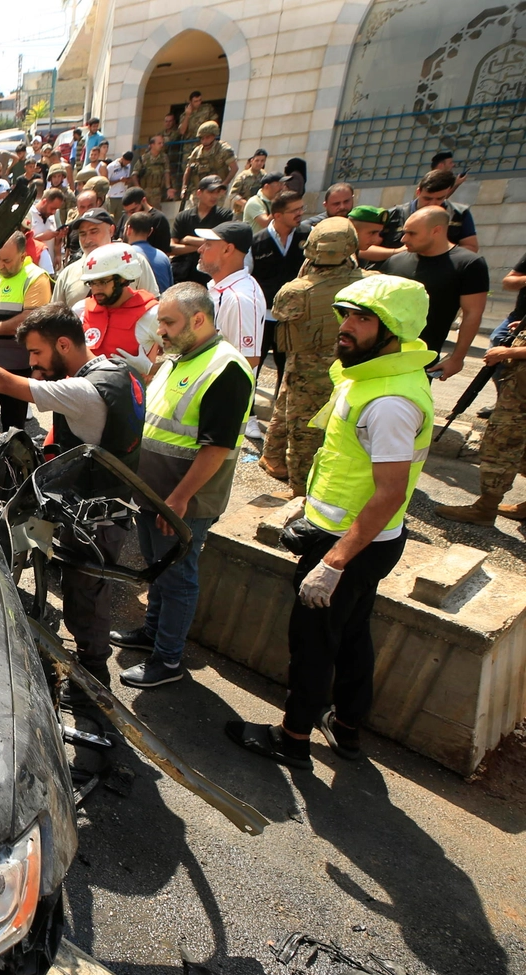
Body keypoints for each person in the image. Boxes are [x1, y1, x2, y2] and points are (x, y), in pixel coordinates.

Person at [227, 276, 435, 766]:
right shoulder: (373, 377)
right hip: (356, 537)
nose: (347, 326)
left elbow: (390, 492)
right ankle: (346, 727)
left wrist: (335, 561)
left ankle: (293, 739)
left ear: (393, 330)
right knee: (353, 634)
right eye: (347, 314)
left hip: (351, 545)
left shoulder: (388, 402)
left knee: (314, 644)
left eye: (363, 319)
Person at [0, 304, 142, 684]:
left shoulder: (81, 389)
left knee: (84, 603)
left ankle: (93, 688)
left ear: (63, 344)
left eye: (37, 353)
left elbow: (5, 383)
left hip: (93, 522)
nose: (32, 362)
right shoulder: (116, 370)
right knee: (89, 593)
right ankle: (90, 673)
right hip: (110, 510)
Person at [114, 283, 253, 687]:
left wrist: (179, 498)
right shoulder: (180, 357)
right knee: (159, 571)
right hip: (157, 493)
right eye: (161, 322)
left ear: (198, 319)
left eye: (169, 322)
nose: (162, 332)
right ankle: (153, 634)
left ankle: (168, 660)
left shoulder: (224, 368)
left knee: (177, 578)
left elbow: (217, 447)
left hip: (181, 500)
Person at [259, 218, 370, 494]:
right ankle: (277, 462)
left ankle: (299, 492)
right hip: (350, 370)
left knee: (302, 431)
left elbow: (281, 311)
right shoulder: (368, 285)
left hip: (305, 370)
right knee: (312, 425)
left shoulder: (296, 290)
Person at [379, 206, 489, 380]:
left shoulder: (468, 264)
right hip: (378, 355)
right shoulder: (395, 261)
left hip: (420, 362)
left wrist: (456, 358)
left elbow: (472, 313)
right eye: (404, 232)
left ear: (436, 231)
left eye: (412, 233)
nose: (404, 238)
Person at [436, 321, 526, 524]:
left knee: (502, 444)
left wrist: (506, 353)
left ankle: (485, 509)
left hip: (520, 400)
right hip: (519, 389)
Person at [0, 232, 53, 432]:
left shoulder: (36, 277)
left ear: (22, 255)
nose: (1, 265)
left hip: (17, 364)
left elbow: (31, 318)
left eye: (7, 261)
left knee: (13, 424)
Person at [250, 192, 310, 388]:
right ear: (277, 215)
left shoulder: (309, 236)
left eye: (301, 208)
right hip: (264, 317)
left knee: (289, 370)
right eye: (294, 210)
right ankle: (249, 413)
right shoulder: (256, 242)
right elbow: (248, 277)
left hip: (295, 318)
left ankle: (282, 413)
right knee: (253, 367)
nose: (300, 213)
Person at [73, 243, 162, 371]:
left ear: (123, 279)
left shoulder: (151, 314)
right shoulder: (80, 310)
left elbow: (185, 360)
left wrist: (150, 368)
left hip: (131, 390)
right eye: (92, 283)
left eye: (103, 282)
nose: (96, 289)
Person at [52, 209, 160, 307]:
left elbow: (152, 306)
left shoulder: (134, 261)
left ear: (111, 230)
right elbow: (55, 317)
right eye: (82, 234)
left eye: (94, 231)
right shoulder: (67, 274)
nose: (87, 239)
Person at [197, 221, 267, 370]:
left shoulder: (240, 299)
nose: (200, 249)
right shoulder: (220, 287)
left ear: (227, 250)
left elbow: (248, 360)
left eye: (208, 244)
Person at [378, 169, 480, 255]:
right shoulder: (393, 214)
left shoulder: (459, 214)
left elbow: (471, 247)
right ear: (418, 192)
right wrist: (398, 252)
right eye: (427, 198)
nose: (433, 203)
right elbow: (366, 248)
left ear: (447, 193)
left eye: (439, 199)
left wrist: (439, 254)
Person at [170, 176, 229, 285]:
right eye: (211, 192)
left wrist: (188, 239)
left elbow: (223, 244)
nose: (215, 196)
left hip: (210, 277)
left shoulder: (225, 216)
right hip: (183, 276)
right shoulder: (184, 217)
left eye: (217, 192)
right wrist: (204, 245)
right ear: (199, 193)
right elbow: (172, 248)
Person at [180, 122, 237, 206]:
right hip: (199, 191)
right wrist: (184, 188)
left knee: (213, 216)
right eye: (202, 138)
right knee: (192, 215)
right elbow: (188, 170)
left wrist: (224, 185)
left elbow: (234, 168)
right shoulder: (197, 151)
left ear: (214, 136)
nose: (204, 141)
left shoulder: (223, 149)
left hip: (216, 191)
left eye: (207, 137)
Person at [125, 212, 173, 292]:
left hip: (140, 303)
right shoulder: (164, 257)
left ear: (129, 229)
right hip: (162, 303)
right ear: (150, 232)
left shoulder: (126, 256)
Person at [119, 187, 171, 253]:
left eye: (133, 211)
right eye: (127, 212)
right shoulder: (125, 217)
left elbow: (164, 250)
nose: (130, 215)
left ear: (143, 201)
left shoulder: (159, 219)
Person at [31, 187, 69, 273]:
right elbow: (21, 243)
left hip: (49, 269)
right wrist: (41, 237)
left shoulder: (52, 216)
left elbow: (55, 240)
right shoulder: (29, 214)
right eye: (52, 208)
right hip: (33, 270)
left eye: (56, 209)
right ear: (44, 202)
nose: (54, 212)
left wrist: (58, 254)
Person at [133, 134, 173, 203]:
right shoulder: (144, 158)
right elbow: (134, 175)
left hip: (158, 192)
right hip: (145, 191)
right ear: (152, 145)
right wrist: (138, 189)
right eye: (159, 143)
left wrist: (168, 188)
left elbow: (166, 173)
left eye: (162, 143)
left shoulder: (164, 158)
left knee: (155, 212)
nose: (162, 145)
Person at [229, 149, 269, 216]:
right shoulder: (243, 176)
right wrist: (247, 204)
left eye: (262, 161)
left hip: (259, 213)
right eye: (257, 160)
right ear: (252, 161)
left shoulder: (265, 176)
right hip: (242, 213)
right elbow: (233, 195)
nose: (259, 163)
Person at [105, 150, 133, 220]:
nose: (127, 164)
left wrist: (127, 180)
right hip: (112, 196)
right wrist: (119, 180)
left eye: (128, 162)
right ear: (122, 158)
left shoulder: (128, 166)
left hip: (122, 195)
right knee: (110, 218)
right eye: (126, 161)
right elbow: (106, 182)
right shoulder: (111, 166)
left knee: (120, 219)